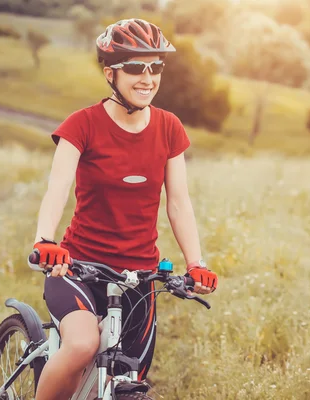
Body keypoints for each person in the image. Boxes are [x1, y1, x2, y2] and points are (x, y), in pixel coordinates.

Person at [30, 18, 218, 400]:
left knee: (127, 378)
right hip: (78, 268)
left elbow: (178, 203)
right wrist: (45, 241)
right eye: (135, 67)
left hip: (139, 279)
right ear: (110, 72)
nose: (147, 78)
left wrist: (196, 264)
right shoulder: (81, 125)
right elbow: (57, 189)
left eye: (155, 67)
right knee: (82, 346)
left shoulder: (169, 128)